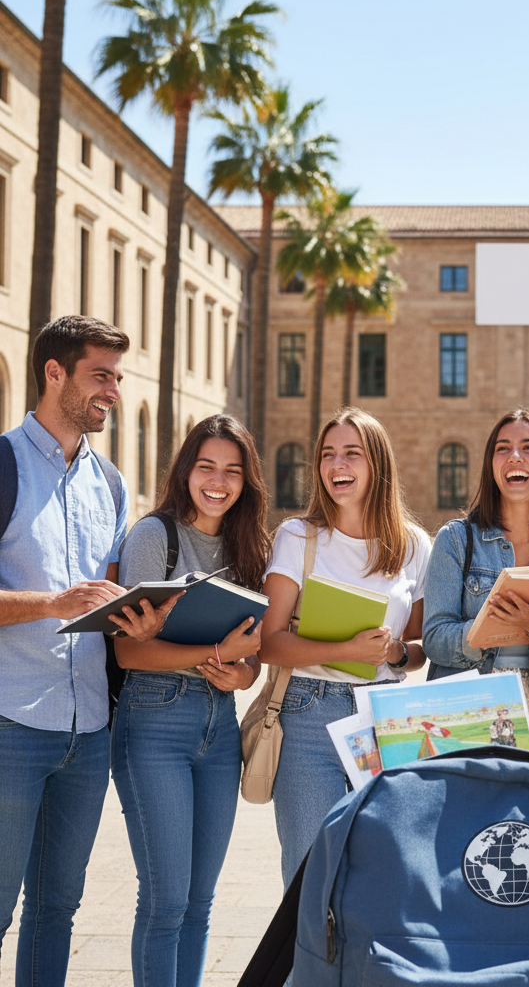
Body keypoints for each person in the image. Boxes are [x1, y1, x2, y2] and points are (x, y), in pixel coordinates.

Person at [0, 316, 152, 986]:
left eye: (117, 378)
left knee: (57, 909)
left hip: (88, 734)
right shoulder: (2, 465)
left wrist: (143, 620)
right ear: (53, 374)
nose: (113, 392)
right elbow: (64, 602)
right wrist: (50, 604)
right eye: (100, 376)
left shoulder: (112, 485)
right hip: (10, 729)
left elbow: (108, 606)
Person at [107, 415, 271, 987]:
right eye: (207, 467)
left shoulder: (248, 546)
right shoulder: (156, 537)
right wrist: (216, 647)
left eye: (232, 471)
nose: (218, 482)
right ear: (186, 470)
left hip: (218, 729)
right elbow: (128, 655)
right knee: (165, 900)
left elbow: (253, 657)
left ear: (246, 481)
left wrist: (241, 671)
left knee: (201, 903)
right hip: (154, 723)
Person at [260, 407, 430, 888]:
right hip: (309, 715)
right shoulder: (298, 537)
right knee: (309, 878)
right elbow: (269, 644)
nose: (338, 466)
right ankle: (299, 968)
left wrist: (393, 653)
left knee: (381, 878)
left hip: (385, 718)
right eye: (328, 455)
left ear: (377, 464)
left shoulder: (416, 546)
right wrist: (347, 648)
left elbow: (419, 648)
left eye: (351, 454)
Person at [422, 407, 529, 753]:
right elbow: (435, 640)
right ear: (491, 465)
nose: (514, 456)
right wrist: (490, 626)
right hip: (465, 716)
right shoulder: (455, 540)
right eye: (503, 448)